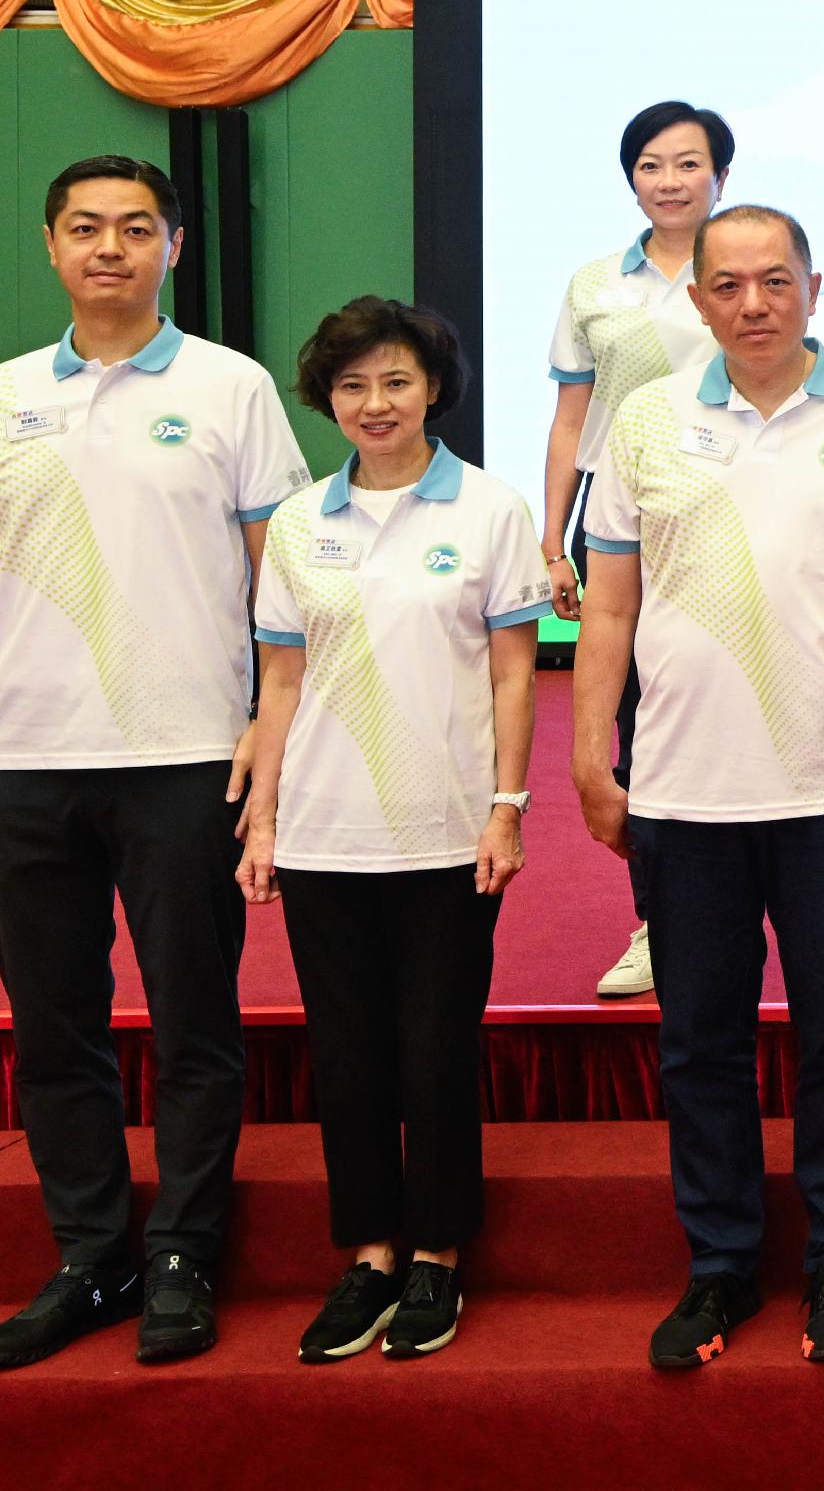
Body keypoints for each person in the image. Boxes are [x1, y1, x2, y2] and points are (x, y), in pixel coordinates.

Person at [0, 155, 311, 1369]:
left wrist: (271, 724)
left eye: (135, 229)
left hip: (186, 751)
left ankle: (185, 1255)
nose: (110, 248)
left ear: (174, 249)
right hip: (20, 758)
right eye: (85, 228)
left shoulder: (230, 387)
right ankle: (90, 1256)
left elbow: (282, 571)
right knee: (55, 1028)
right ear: (49, 245)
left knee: (194, 1019)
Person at [573, 204, 824, 1370]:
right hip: (687, 788)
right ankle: (722, 1260)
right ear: (697, 300)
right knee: (699, 1040)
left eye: (774, 281)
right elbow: (610, 602)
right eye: (727, 284)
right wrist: (592, 747)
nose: (751, 302)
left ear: (812, 286)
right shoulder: (647, 420)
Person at [236, 298, 550, 1364]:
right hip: (325, 835)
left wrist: (508, 807)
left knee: (433, 1053)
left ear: (433, 391)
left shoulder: (491, 510)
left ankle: (439, 1258)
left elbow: (514, 670)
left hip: (445, 832)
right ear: (328, 397)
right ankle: (369, 1250)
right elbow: (280, 678)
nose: (376, 404)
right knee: (349, 1058)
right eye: (354, 386)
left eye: (397, 383)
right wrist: (264, 814)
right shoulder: (297, 522)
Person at [544, 100, 730, 1001]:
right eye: (652, 166)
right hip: (615, 521)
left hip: (726, 513)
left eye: (688, 164)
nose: (670, 181)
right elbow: (572, 414)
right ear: (632, 180)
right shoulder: (592, 286)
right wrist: (553, 533)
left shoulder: (741, 275)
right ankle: (658, 920)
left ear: (719, 178)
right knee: (633, 717)